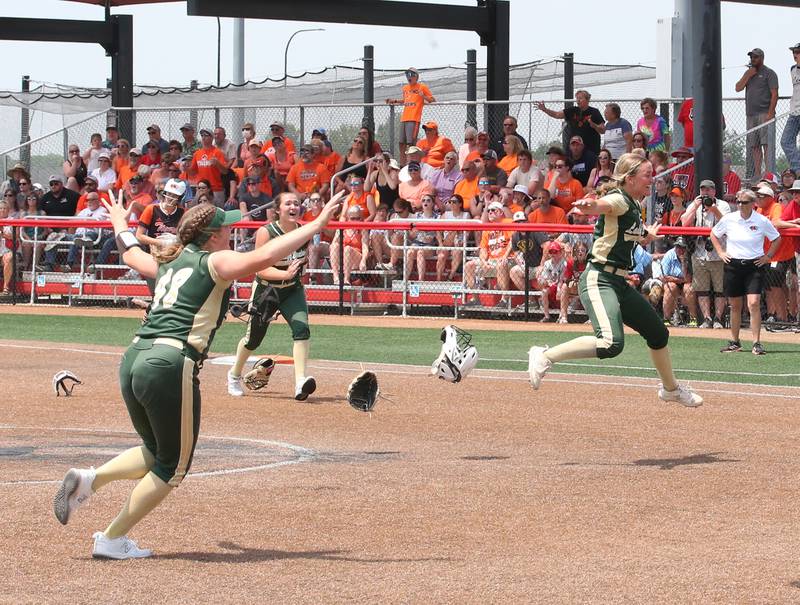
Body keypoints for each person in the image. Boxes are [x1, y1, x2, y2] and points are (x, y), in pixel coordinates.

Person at [52, 189, 343, 560]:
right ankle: (111, 538)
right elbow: (267, 255)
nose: (230, 233)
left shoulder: (170, 259)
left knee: (156, 450)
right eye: (225, 229)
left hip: (134, 357)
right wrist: (317, 224)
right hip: (170, 363)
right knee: (172, 467)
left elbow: (130, 253)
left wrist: (120, 222)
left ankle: (90, 480)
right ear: (211, 236)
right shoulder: (215, 261)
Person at [527, 153, 703, 407]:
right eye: (647, 175)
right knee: (611, 343)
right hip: (599, 278)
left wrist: (647, 235)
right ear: (629, 178)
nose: (651, 180)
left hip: (619, 282)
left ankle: (671, 389)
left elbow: (630, 232)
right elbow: (605, 204)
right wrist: (591, 206)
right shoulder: (620, 199)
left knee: (658, 334)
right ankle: (544, 355)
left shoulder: (632, 205)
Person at [227, 191, 323, 400]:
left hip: (292, 289)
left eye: (296, 204)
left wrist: (297, 272)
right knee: (253, 340)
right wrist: (284, 273)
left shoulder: (302, 231)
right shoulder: (266, 232)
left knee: (302, 329)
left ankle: (300, 382)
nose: (293, 207)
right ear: (277, 209)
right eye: (288, 204)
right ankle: (234, 375)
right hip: (267, 290)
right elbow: (259, 269)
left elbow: (302, 258)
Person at [710, 189, 781, 355]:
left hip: (754, 265)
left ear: (753, 203)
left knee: (754, 303)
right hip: (733, 265)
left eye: (745, 202)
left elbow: (776, 238)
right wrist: (721, 252)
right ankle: (735, 342)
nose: (740, 205)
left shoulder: (762, 220)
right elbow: (714, 234)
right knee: (735, 305)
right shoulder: (729, 219)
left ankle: (756, 343)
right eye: (739, 201)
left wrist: (768, 256)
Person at [679, 179, 731, 328]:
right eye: (703, 189)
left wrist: (714, 209)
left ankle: (718, 319)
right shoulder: (694, 204)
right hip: (699, 252)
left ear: (714, 191)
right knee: (702, 289)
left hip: (719, 252)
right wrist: (695, 206)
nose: (705, 192)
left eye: (709, 189)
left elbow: (728, 223)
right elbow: (685, 224)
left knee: (720, 289)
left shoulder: (723, 205)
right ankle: (707, 318)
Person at [754, 184, 796, 322]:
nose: (757, 199)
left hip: (781, 253)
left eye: (760, 196)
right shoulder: (759, 209)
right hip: (766, 254)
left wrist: (795, 225)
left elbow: (776, 223)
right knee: (772, 286)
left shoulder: (775, 206)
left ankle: (783, 318)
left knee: (777, 285)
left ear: (769, 197)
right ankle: (778, 316)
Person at [736, 48, 779, 180]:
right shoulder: (748, 73)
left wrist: (770, 113)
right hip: (750, 115)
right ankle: (757, 173)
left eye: (755, 57)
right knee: (754, 145)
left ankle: (768, 172)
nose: (753, 59)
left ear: (762, 58)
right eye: (751, 57)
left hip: (764, 113)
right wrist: (748, 75)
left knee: (766, 144)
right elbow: (738, 88)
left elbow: (774, 94)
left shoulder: (769, 73)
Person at [463, 201, 513, 307]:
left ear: (500, 212)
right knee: (468, 266)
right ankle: (475, 299)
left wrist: (504, 256)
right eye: (489, 210)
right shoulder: (487, 229)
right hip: (491, 261)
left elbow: (512, 242)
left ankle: (505, 299)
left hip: (507, 259)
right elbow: (483, 249)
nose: (490, 212)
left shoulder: (508, 222)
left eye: (493, 210)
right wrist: (483, 262)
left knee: (501, 263)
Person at [385, 67, 435, 159]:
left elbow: (432, 99)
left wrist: (423, 96)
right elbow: (405, 100)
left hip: (414, 118)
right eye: (407, 75)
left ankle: (411, 162)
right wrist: (394, 101)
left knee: (410, 143)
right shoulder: (405, 88)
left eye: (411, 75)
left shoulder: (422, 87)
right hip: (404, 118)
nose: (409, 77)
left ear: (416, 77)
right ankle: (402, 164)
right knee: (401, 142)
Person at [536, 90, 604, 154]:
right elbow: (557, 114)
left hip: (591, 149)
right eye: (577, 98)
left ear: (587, 99)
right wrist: (545, 109)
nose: (578, 100)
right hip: (574, 150)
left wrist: (595, 126)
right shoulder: (572, 110)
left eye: (580, 98)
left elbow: (603, 130)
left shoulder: (595, 112)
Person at [189, 129, 229, 206]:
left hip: (215, 189)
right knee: (197, 211)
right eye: (202, 136)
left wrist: (217, 163)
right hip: (201, 189)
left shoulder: (217, 152)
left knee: (217, 212)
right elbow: (193, 172)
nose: (203, 138)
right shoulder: (197, 154)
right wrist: (186, 169)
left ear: (212, 138)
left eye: (206, 136)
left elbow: (225, 171)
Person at [437, 194, 472, 281]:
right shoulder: (446, 214)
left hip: (460, 242)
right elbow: (437, 230)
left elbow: (468, 233)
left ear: (460, 204)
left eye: (454, 202)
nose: (451, 204)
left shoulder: (466, 215)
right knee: (441, 256)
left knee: (457, 251)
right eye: (450, 202)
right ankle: (438, 279)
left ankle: (450, 276)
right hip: (447, 241)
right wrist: (440, 244)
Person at [557, 242, 589, 323]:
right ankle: (563, 316)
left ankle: (592, 318)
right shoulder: (571, 262)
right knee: (564, 287)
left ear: (586, 252)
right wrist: (571, 282)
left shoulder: (589, 263)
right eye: (578, 250)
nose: (580, 252)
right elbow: (566, 279)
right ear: (574, 252)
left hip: (588, 287)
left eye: (582, 250)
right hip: (576, 287)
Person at [781, 42, 800, 172]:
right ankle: (797, 169)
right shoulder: (792, 69)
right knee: (786, 141)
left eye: (798, 52)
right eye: (794, 52)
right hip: (794, 112)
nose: (795, 55)